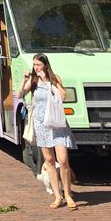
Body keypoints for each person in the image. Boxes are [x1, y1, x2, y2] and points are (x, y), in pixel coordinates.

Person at [19, 53, 77, 211]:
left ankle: (68, 194)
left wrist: (48, 82)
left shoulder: (54, 78)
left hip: (57, 124)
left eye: (38, 64)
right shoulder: (33, 80)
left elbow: (63, 97)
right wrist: (24, 80)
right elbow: (20, 94)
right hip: (42, 124)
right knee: (49, 160)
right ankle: (57, 196)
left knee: (63, 160)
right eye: (34, 65)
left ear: (45, 65)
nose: (36, 68)